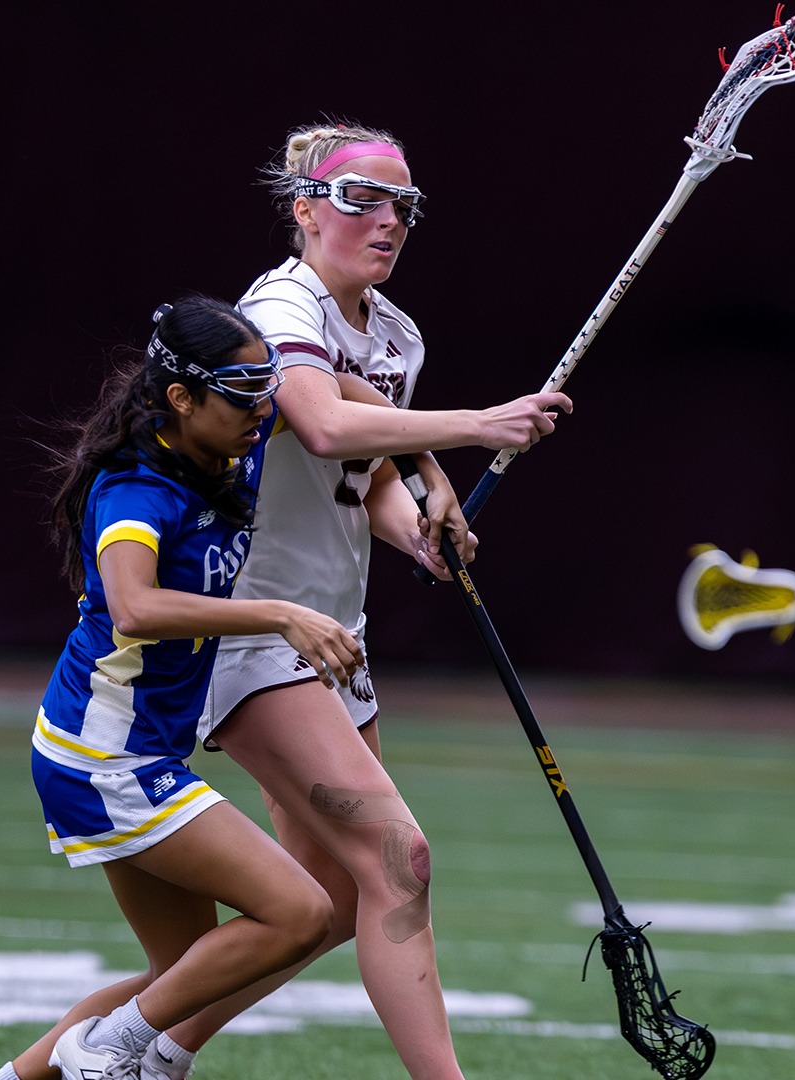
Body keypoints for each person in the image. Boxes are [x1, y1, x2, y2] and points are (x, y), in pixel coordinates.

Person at [129, 123, 572, 1080]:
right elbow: (323, 424)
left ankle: (121, 1052)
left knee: (323, 905)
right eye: (359, 199)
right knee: (399, 860)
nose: (386, 220)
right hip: (253, 628)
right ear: (303, 209)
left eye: (402, 205)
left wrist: (417, 523)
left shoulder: (397, 335)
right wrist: (476, 427)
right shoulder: (280, 307)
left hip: (333, 637)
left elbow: (357, 476)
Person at [0, 298, 363, 1080]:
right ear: (183, 399)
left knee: (182, 975)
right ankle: (109, 1053)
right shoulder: (135, 488)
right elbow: (136, 605)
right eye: (243, 391)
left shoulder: (239, 436)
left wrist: (440, 460)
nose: (265, 406)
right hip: (104, 755)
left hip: (129, 749)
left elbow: (343, 401)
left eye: (269, 384)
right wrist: (281, 613)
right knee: (302, 915)